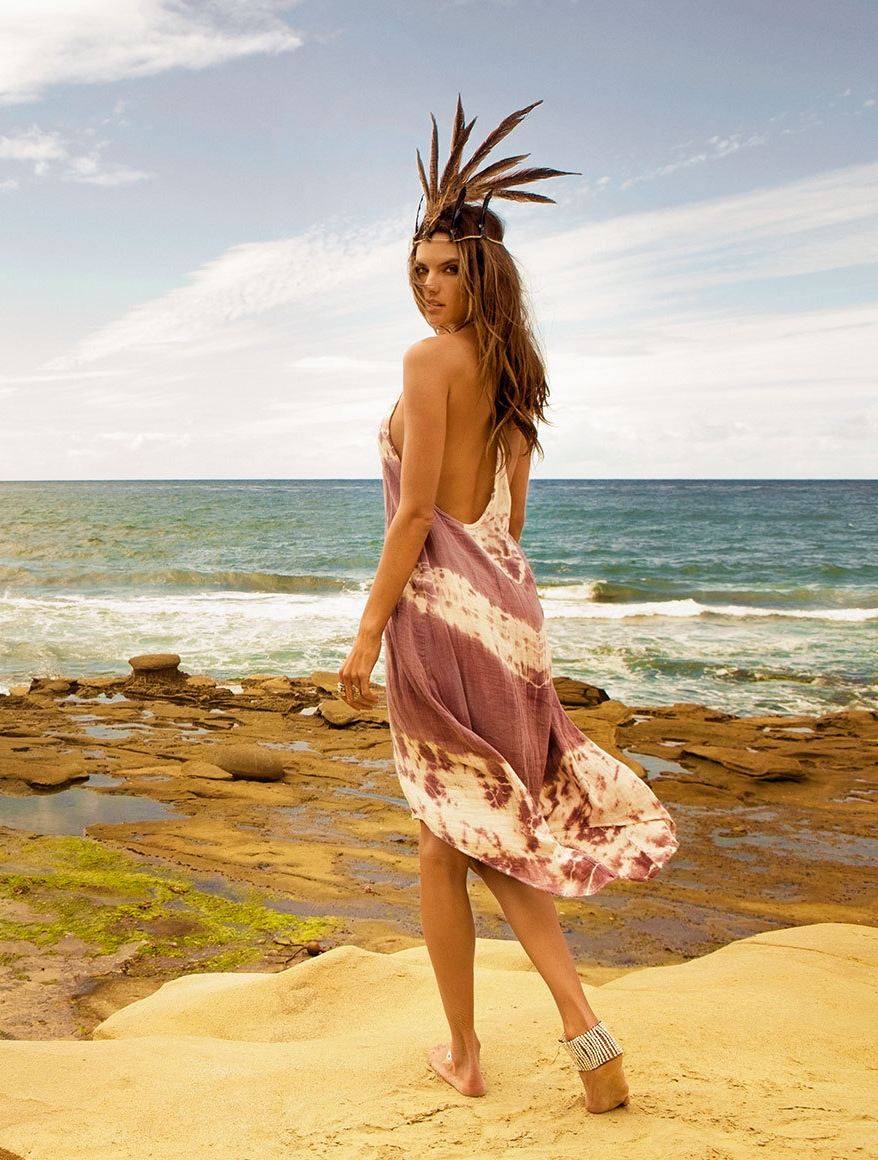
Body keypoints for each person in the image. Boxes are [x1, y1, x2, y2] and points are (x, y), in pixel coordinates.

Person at [335, 100, 679, 1114]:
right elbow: (510, 519)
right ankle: (538, 1040)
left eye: (447, 270)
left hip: (442, 617)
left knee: (468, 828)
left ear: (483, 273)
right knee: (457, 834)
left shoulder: (428, 362)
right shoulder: (515, 375)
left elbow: (416, 518)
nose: (428, 287)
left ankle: (511, 1039)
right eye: (418, 269)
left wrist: (367, 635)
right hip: (510, 613)